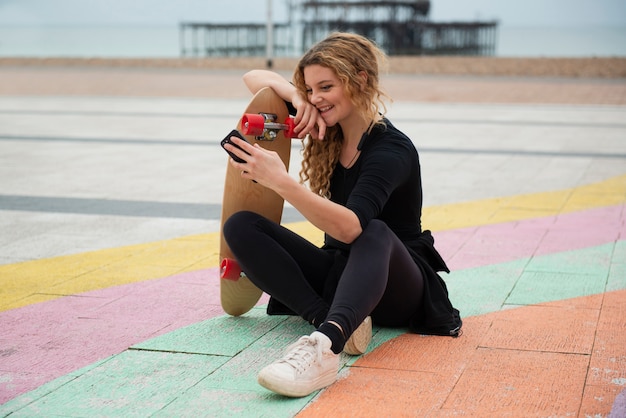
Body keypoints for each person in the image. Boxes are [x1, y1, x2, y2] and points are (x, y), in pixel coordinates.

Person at [222, 32, 462, 398]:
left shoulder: (391, 150)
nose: (317, 98)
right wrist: (295, 96)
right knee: (241, 226)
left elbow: (351, 229)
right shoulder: (326, 124)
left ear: (360, 79)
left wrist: (282, 182)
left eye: (326, 87)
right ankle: (329, 317)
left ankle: (324, 345)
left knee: (373, 231)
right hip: (343, 276)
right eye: (310, 88)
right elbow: (254, 78)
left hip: (397, 285)